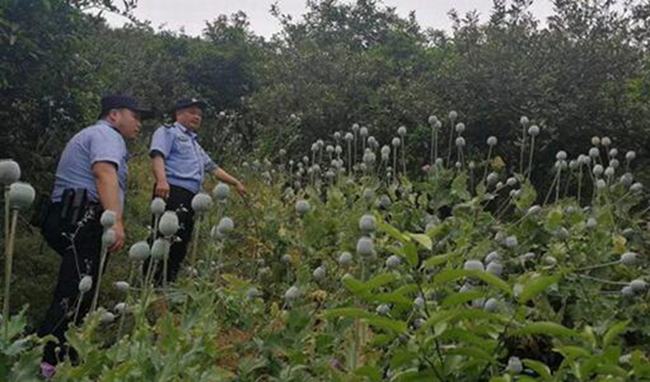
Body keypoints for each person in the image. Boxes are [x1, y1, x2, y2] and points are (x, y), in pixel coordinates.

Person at [37, 95, 152, 378]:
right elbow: (103, 173)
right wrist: (116, 221)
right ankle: (47, 363)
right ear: (114, 115)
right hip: (82, 218)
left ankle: (63, 351)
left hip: (69, 215)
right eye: (135, 115)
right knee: (75, 291)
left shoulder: (94, 134)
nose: (139, 123)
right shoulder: (106, 135)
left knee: (78, 288)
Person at [148, 98, 245, 283]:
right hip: (172, 191)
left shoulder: (195, 144)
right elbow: (158, 154)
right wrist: (161, 180)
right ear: (178, 113)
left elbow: (213, 168)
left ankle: (166, 285)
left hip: (191, 197)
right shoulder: (168, 132)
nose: (197, 117)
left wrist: (236, 182)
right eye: (192, 112)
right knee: (162, 238)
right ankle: (150, 284)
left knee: (181, 241)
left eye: (199, 114)